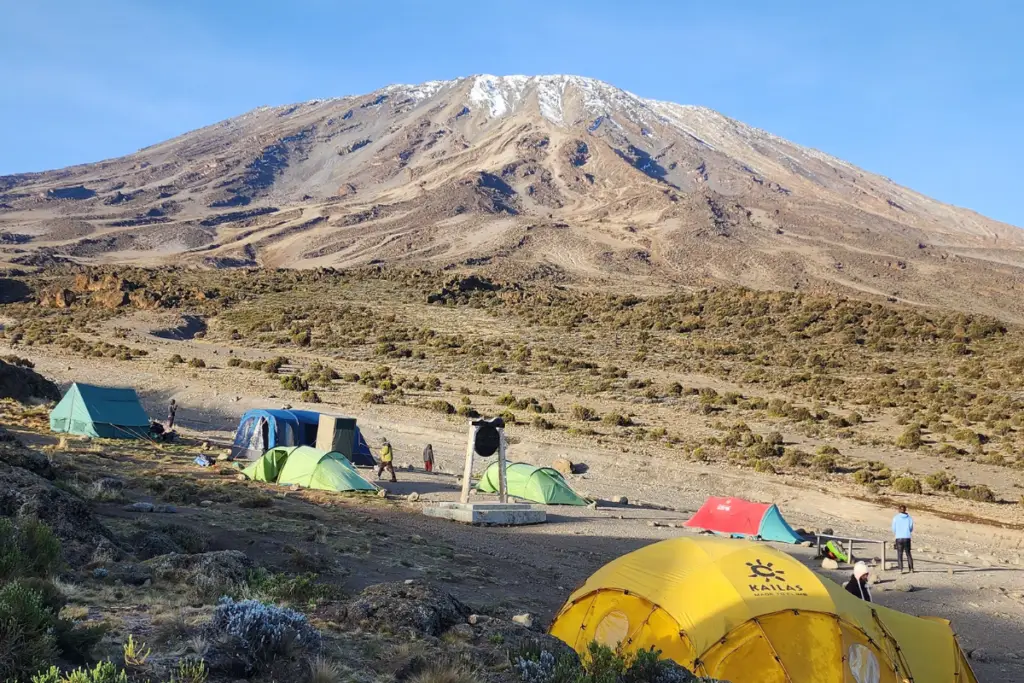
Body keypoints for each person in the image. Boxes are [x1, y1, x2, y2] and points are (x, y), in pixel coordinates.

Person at [892, 505, 915, 573]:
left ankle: (900, 569)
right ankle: (911, 569)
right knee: (908, 553)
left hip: (899, 537)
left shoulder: (895, 517)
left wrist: (898, 533)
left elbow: (893, 528)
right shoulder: (909, 518)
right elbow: (911, 528)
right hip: (907, 537)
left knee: (899, 554)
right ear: (905, 510)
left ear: (899, 510)